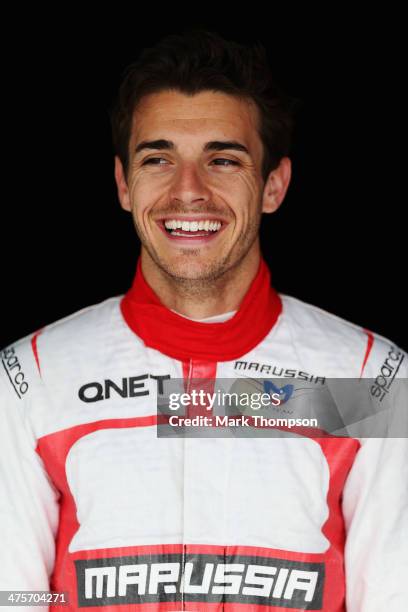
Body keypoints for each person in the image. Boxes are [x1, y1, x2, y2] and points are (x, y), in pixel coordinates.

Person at [0, 29, 406, 612]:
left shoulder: (373, 377)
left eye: (223, 159)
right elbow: (12, 595)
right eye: (158, 159)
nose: (188, 192)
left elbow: (394, 595)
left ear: (273, 186)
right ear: (123, 183)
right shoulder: (29, 375)